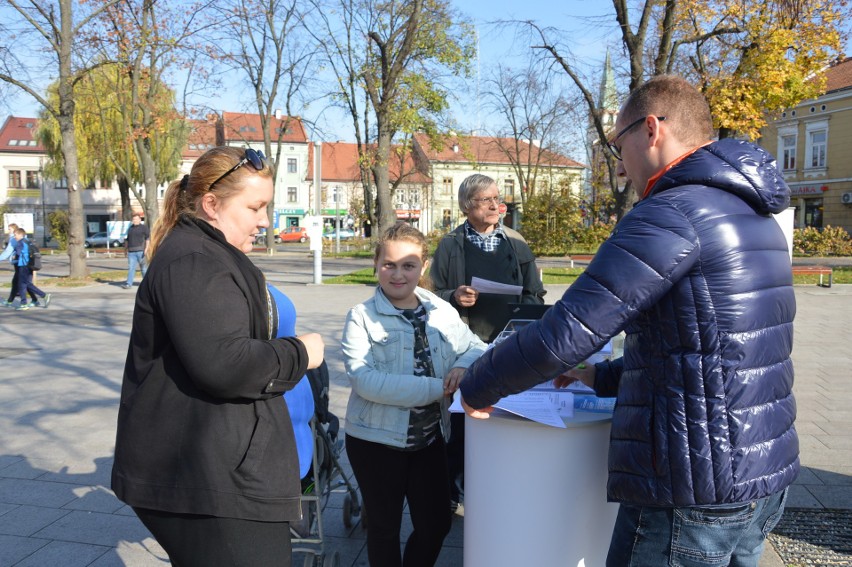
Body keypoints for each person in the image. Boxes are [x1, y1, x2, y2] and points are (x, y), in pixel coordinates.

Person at [460, 75, 798, 567]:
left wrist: (479, 384)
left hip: (691, 484)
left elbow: (569, 329)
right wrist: (602, 376)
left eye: (619, 145)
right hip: (760, 475)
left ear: (652, 129)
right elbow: (715, 348)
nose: (620, 164)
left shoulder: (671, 213)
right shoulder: (751, 211)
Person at [111, 146, 325, 567]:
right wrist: (301, 352)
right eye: (255, 207)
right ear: (211, 204)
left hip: (215, 472)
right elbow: (227, 364)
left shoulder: (205, 254)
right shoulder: (194, 260)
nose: (264, 220)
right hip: (206, 478)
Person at [341, 222, 486, 567]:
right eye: (388, 264)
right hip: (376, 441)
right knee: (384, 529)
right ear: (376, 264)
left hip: (429, 439)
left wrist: (463, 366)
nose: (397, 274)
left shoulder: (438, 307)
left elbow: (476, 346)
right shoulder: (361, 317)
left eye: (408, 265)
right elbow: (366, 381)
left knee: (435, 525)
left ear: (423, 267)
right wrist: (441, 388)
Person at [430, 173, 545, 515]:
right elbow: (430, 295)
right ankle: (451, 494)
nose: (496, 205)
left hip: (509, 345)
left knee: (504, 417)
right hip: (464, 348)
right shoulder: (450, 245)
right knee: (463, 423)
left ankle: (499, 490)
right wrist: (453, 295)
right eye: (486, 200)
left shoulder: (516, 242)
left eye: (498, 198)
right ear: (467, 206)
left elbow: (536, 293)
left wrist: (526, 309)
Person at [9, 227, 50, 311]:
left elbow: (18, 253)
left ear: (21, 234)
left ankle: (24, 303)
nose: (14, 236)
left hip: (23, 265)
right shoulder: (28, 241)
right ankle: (40, 297)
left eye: (15, 234)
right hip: (29, 265)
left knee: (22, 285)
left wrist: (14, 256)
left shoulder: (20, 243)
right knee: (27, 284)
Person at [0, 223, 39, 308]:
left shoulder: (14, 239)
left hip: (20, 264)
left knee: (22, 283)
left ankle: (27, 302)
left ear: (15, 230)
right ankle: (31, 300)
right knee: (20, 282)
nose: (8, 231)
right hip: (23, 263)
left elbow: (8, 252)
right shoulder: (23, 239)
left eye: (9, 229)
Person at [122, 213, 149, 289]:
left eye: (136, 219)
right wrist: (125, 250)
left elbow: (147, 239)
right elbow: (127, 240)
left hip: (141, 251)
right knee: (131, 268)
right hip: (131, 252)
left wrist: (146, 249)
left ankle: (147, 284)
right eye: (134, 219)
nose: (135, 220)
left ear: (140, 220)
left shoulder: (144, 228)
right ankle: (128, 284)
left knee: (143, 268)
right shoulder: (130, 228)